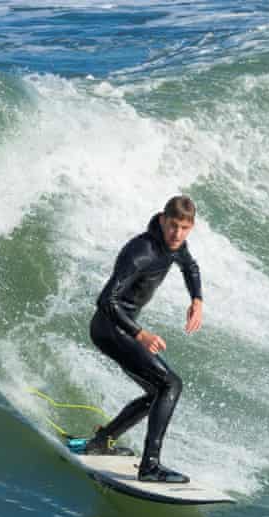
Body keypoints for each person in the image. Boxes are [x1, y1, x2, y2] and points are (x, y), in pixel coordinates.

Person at [84, 195, 203, 484]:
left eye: (184, 228)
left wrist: (196, 299)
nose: (177, 234)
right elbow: (105, 300)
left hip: (124, 328)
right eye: (173, 226)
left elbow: (190, 266)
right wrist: (140, 334)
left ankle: (102, 442)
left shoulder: (174, 246)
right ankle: (150, 466)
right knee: (171, 384)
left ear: (191, 227)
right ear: (162, 220)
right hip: (109, 328)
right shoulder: (142, 251)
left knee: (156, 392)